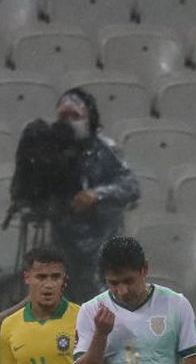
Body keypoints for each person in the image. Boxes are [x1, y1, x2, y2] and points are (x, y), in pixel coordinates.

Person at [46, 88, 140, 303]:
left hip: (101, 248)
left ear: (90, 119)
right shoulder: (50, 151)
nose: (69, 122)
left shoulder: (105, 149)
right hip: (63, 247)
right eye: (64, 116)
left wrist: (97, 195)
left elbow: (131, 186)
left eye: (76, 116)